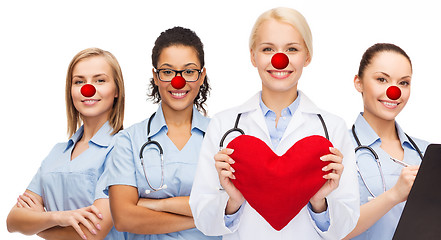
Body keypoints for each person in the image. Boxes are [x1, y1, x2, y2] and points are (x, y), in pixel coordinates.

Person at [189, 7, 359, 240]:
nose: (280, 60)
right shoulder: (223, 125)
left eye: (292, 49)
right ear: (253, 56)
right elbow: (204, 220)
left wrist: (319, 201)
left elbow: (345, 226)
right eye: (268, 49)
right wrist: (233, 200)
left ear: (307, 56)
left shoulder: (333, 128)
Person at [344, 43, 441, 239]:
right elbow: (331, 232)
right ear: (358, 82)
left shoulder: (428, 152)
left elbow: (431, 231)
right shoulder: (339, 148)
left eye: (403, 83)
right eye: (382, 79)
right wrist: (394, 195)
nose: (394, 91)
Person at [104, 26, 219, 240]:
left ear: (202, 76)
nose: (178, 81)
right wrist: (205, 218)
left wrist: (158, 205)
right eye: (168, 71)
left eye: (189, 71)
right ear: (155, 77)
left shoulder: (222, 137)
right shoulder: (128, 141)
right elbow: (124, 218)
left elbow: (230, 206)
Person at [6, 48, 126, 240]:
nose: (89, 89)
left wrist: (38, 225)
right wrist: (58, 217)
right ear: (71, 91)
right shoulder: (57, 153)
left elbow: (92, 232)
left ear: (117, 90)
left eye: (99, 80)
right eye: (79, 81)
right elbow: (13, 221)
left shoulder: (123, 149)